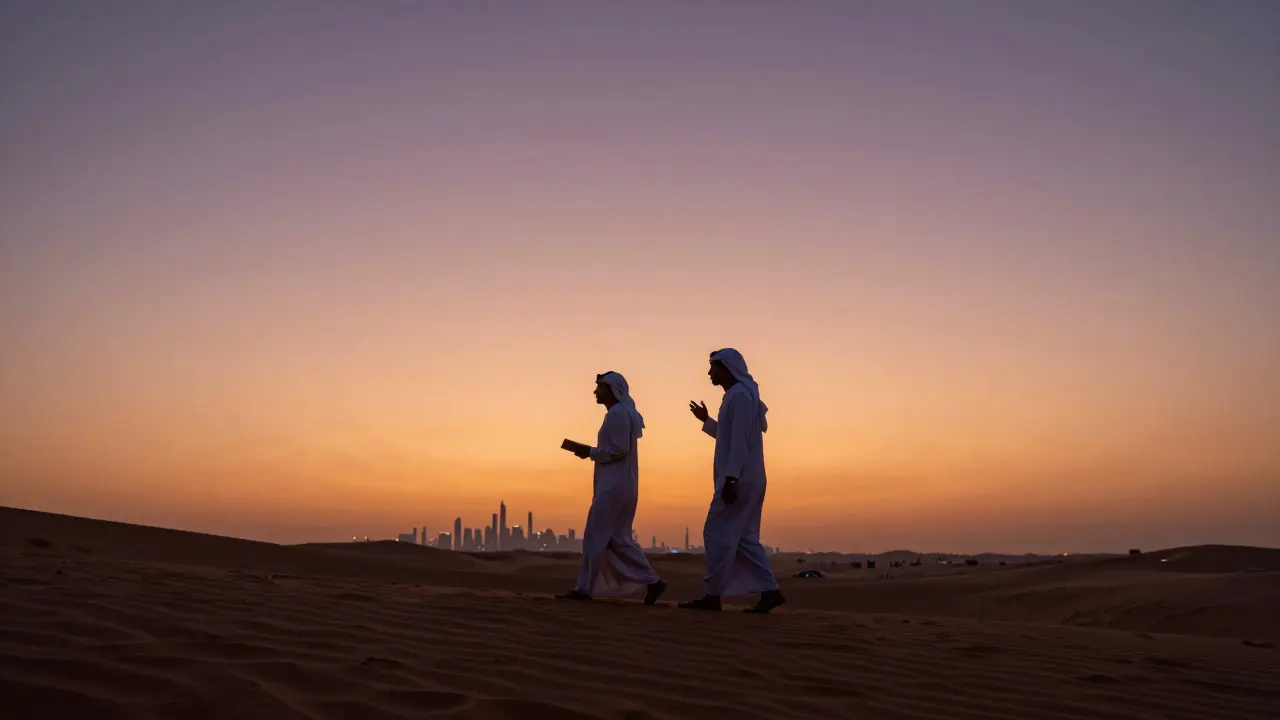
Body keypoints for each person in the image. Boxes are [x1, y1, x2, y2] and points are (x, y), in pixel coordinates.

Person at [680, 349, 785, 613]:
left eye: (713, 368)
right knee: (745, 539)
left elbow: (738, 441)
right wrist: (706, 422)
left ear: (726, 367)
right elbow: (729, 437)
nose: (709, 373)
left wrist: (730, 480)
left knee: (715, 534)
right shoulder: (737, 397)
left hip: (740, 478)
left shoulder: (739, 396)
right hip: (748, 477)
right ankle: (770, 591)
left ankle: (712, 596)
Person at [557, 371, 667, 605]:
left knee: (595, 537)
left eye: (600, 387)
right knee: (618, 538)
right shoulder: (621, 413)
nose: (595, 392)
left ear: (612, 389)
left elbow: (619, 450)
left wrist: (590, 452)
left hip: (613, 488)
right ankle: (652, 581)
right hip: (620, 486)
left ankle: (584, 589)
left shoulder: (617, 414)